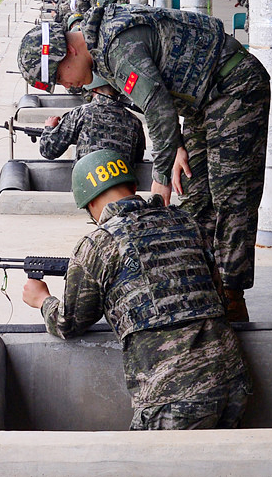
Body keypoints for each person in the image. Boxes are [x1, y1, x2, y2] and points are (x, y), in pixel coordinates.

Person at [17, 2, 271, 322]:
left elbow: (158, 108)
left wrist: (160, 178)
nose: (67, 86)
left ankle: (232, 297)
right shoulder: (98, 48)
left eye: (59, 76)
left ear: (69, 50)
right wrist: (174, 143)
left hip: (234, 85)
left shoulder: (117, 46)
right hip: (199, 101)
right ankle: (203, 282)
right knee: (194, 192)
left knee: (230, 193)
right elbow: (154, 99)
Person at [22, 149, 251, 430]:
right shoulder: (186, 221)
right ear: (132, 187)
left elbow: (69, 323)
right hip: (233, 378)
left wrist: (42, 300)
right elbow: (218, 296)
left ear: (91, 204)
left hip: (172, 393)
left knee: (149, 473)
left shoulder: (98, 244)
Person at [39, 76, 146, 166]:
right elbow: (137, 160)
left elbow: (48, 150)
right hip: (123, 189)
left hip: (87, 187)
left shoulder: (81, 113)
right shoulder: (134, 121)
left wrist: (49, 128)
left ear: (92, 88)